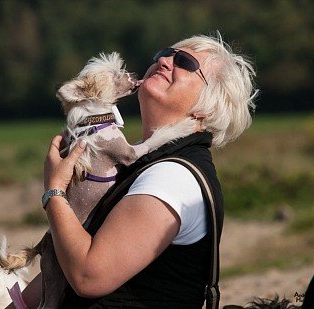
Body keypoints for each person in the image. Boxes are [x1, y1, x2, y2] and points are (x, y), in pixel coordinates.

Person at [20, 32, 257, 308]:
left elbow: (88, 276)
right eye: (164, 53)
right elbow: (63, 265)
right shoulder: (147, 165)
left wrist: (54, 192)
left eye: (185, 62)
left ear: (207, 106)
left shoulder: (172, 177)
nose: (166, 60)